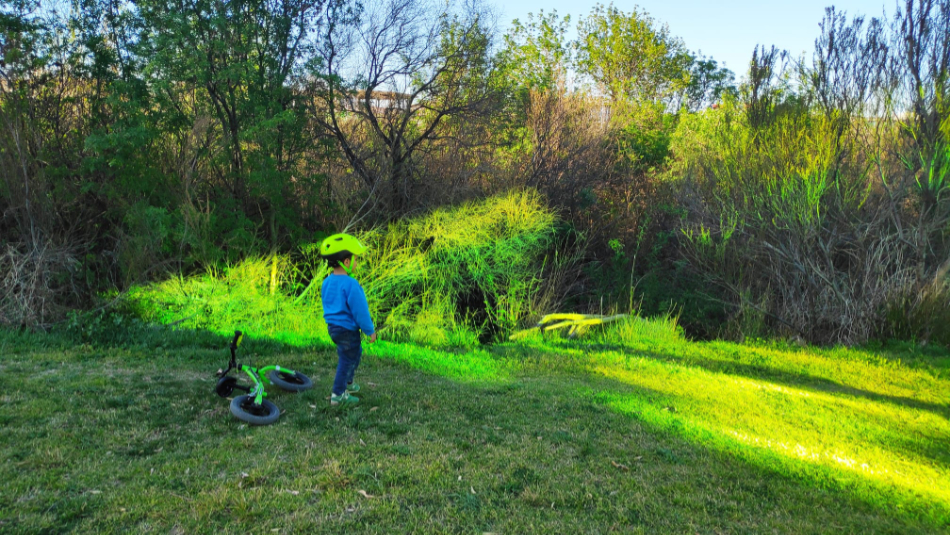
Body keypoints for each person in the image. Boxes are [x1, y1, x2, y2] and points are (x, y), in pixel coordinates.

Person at [320, 233, 377, 406]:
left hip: (333, 328)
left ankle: (348, 383)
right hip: (347, 330)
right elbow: (361, 312)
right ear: (346, 262)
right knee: (346, 359)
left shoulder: (327, 282)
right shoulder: (351, 284)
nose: (357, 263)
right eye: (355, 259)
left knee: (353, 353)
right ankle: (338, 395)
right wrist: (370, 331)